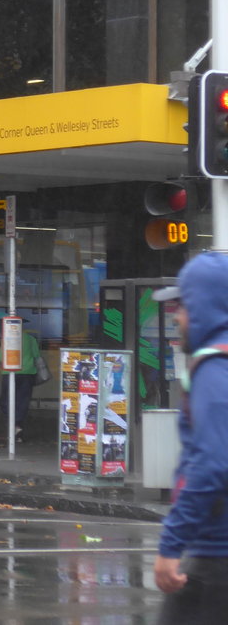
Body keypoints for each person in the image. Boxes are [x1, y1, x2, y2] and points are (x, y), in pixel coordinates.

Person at [153, 253, 228, 623]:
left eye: (183, 306)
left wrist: (172, 544)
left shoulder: (214, 368)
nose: (176, 317)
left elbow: (211, 463)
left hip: (217, 557)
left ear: (204, 308)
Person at [0, 328, 39, 441]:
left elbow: (1, 358)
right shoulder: (31, 339)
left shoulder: (5, 339)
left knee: (5, 401)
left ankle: (14, 425)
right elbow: (36, 355)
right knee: (22, 401)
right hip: (27, 373)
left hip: (9, 373)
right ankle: (18, 428)